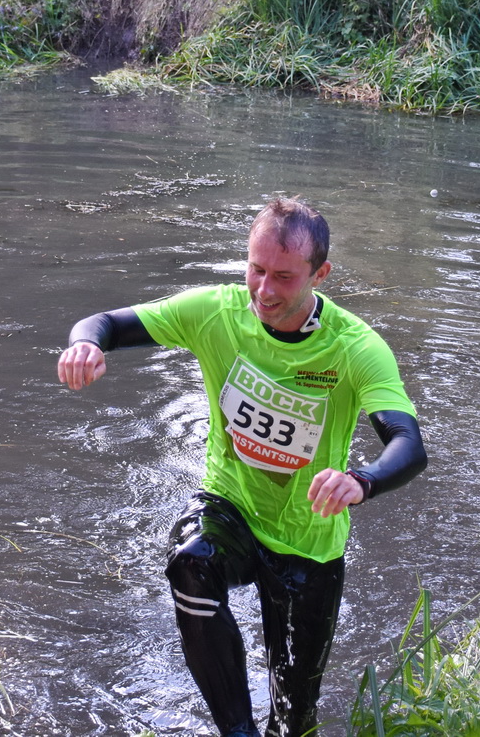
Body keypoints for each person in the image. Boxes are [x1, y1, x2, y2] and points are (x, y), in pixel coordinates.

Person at [57, 197, 428, 737]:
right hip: (229, 504)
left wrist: (360, 481)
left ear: (320, 274)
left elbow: (409, 445)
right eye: (256, 269)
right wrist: (85, 345)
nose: (264, 290)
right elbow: (104, 323)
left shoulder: (356, 348)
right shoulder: (215, 311)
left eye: (284, 276)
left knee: (294, 721)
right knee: (191, 561)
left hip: (307, 539)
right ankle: (236, 731)